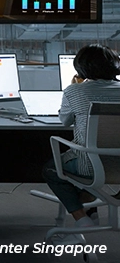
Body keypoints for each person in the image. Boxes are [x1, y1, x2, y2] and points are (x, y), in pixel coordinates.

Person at [43, 44, 120, 228]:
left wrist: (74, 87)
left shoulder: (75, 91)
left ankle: (82, 218)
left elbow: (65, 120)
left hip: (89, 167)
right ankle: (89, 203)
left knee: (51, 169)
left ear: (81, 68)